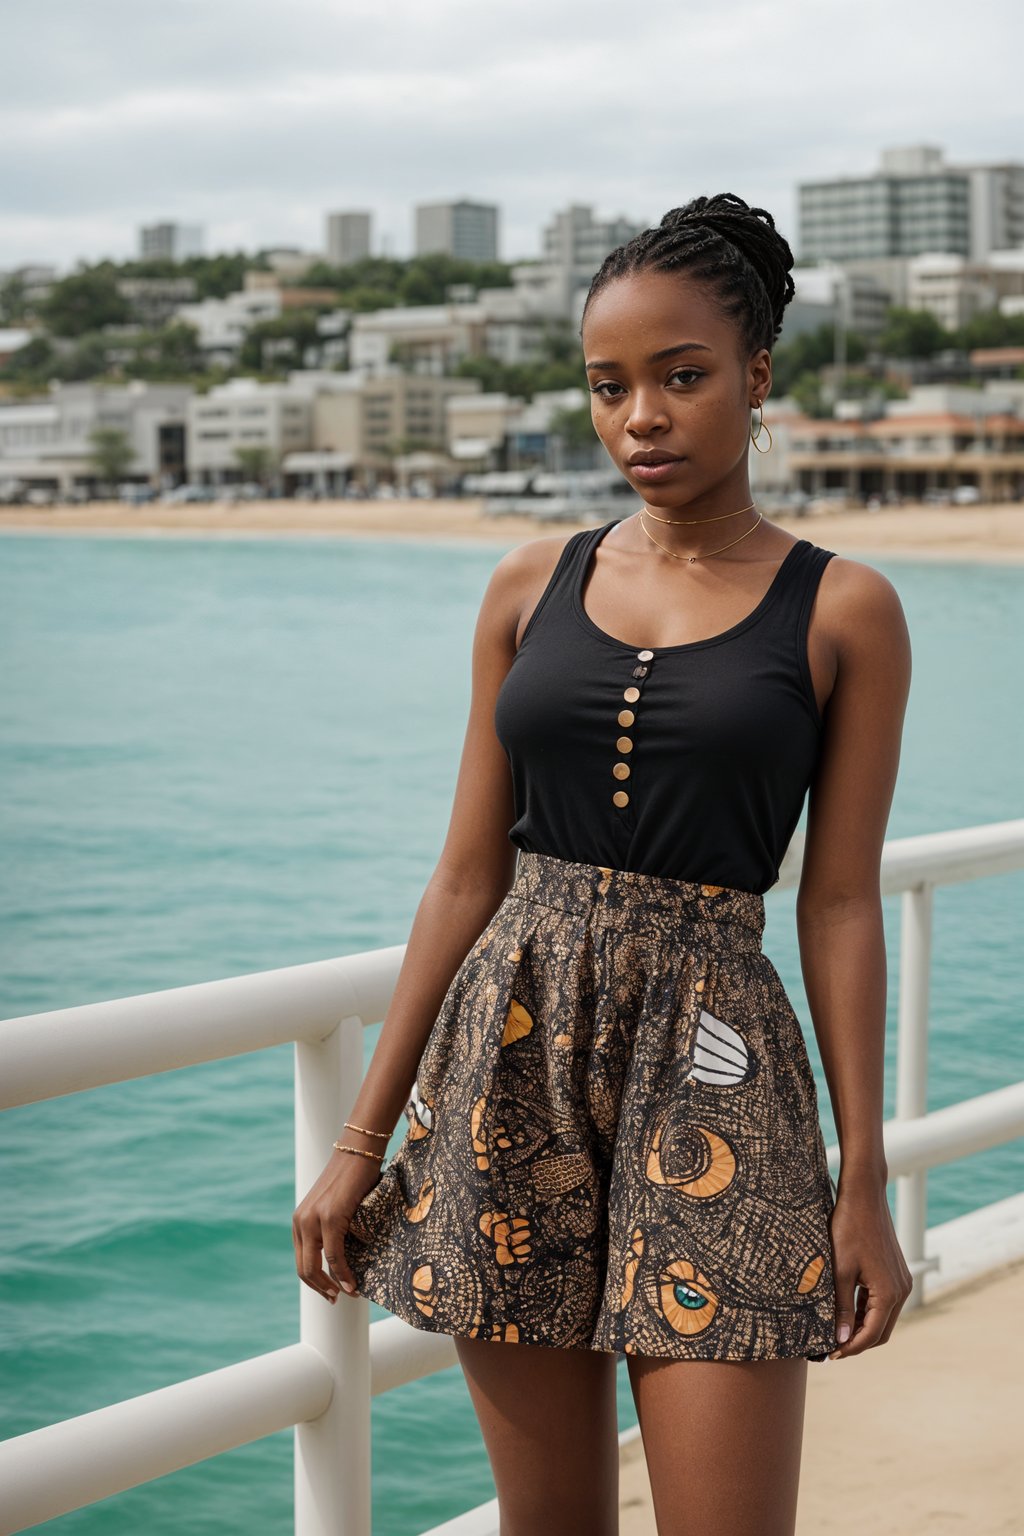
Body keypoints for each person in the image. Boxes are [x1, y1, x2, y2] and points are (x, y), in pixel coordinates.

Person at [293, 191, 913, 1536]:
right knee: (551, 1522)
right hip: (506, 1062)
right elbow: (465, 875)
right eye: (610, 386)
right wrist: (359, 1140)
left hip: (717, 1077)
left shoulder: (845, 607)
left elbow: (845, 898)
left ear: (756, 378)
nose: (643, 417)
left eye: (683, 378)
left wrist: (865, 1179)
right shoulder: (527, 584)